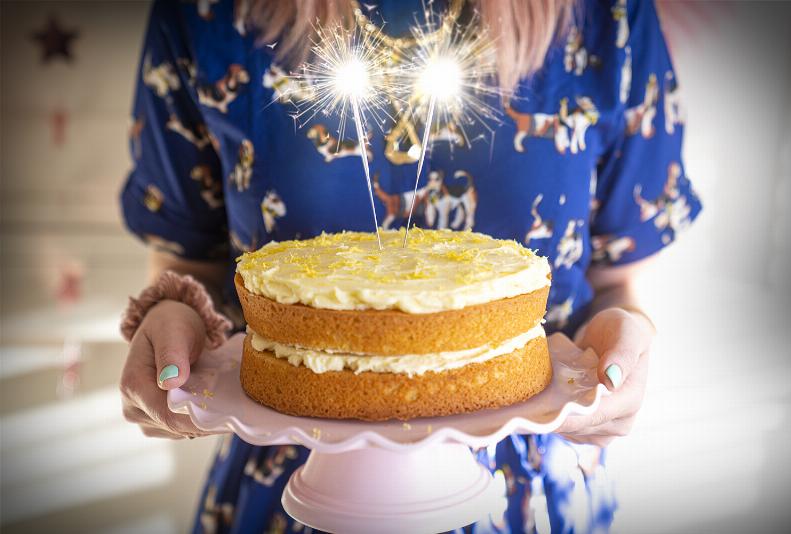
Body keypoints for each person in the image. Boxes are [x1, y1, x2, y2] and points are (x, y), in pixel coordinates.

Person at [119, 0, 701, 532]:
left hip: (528, 492)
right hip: (289, 478)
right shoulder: (208, 13)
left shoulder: (610, 17)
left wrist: (624, 338)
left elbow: (617, 280)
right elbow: (185, 259)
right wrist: (174, 318)